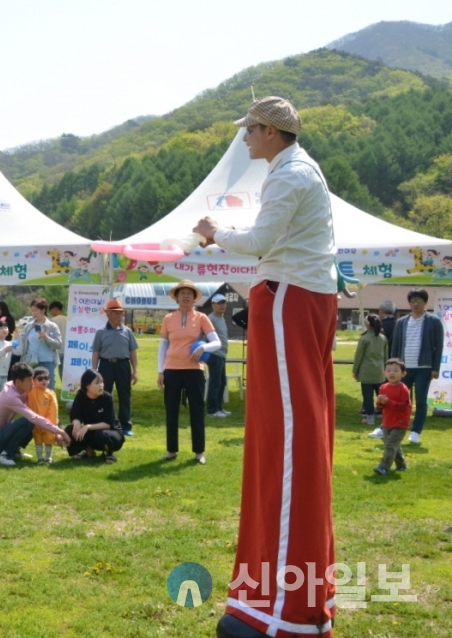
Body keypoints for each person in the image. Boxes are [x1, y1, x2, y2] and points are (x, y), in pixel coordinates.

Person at [194, 96, 338, 637]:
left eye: (251, 129)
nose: (246, 138)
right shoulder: (302, 171)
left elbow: (258, 243)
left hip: (288, 298)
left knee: (287, 441)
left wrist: (213, 233)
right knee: (295, 437)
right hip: (306, 296)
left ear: (272, 131)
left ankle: (279, 602)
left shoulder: (289, 174)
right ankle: (286, 592)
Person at [157, 281, 220, 465]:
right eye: (182, 293)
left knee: (197, 410)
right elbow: (163, 346)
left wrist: (204, 348)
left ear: (194, 298)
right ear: (176, 297)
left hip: (194, 370)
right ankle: (171, 450)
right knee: (171, 410)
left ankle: (199, 452)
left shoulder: (201, 318)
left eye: (189, 293)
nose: (185, 296)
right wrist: (160, 371)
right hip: (172, 370)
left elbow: (216, 343)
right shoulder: (168, 318)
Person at [373, 288, 444, 445]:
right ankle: (384, 427)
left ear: (425, 302)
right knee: (396, 397)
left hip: (424, 367)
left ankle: (415, 432)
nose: (415, 304)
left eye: (418, 300)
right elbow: (396, 345)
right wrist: (392, 367)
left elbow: (439, 347)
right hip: (403, 368)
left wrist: (435, 368)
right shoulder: (402, 322)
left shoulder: (434, 321)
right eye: (412, 301)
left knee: (421, 400)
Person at [0, 363, 70, 467]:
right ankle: (5, 455)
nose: (32, 383)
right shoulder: (10, 396)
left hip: (0, 434)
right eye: (29, 380)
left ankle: (14, 451)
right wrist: (60, 432)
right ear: (18, 382)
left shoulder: (19, 388)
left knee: (32, 423)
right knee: (28, 421)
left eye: (32, 379)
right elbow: (33, 417)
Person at [90, 299, 139, 436]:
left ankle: (125, 425)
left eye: (121, 313)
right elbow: (96, 352)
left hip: (123, 365)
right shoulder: (101, 332)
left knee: (125, 395)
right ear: (108, 314)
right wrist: (94, 371)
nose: (119, 316)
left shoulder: (128, 331)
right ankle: (105, 422)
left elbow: (133, 352)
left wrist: (135, 371)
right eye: (116, 313)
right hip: (106, 365)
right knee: (104, 395)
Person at [65, 369, 125, 463]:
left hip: (111, 433)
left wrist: (87, 427)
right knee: (69, 429)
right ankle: (89, 452)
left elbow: (107, 424)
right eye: (97, 383)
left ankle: (109, 454)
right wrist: (76, 424)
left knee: (101, 434)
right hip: (93, 433)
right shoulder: (80, 395)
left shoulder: (107, 398)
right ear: (87, 385)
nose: (101, 385)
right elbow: (75, 414)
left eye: (102, 382)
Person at [374, 358, 411, 475]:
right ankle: (401, 464)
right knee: (392, 444)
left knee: (390, 445)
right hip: (387, 422)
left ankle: (383, 467)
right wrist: (380, 402)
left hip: (400, 423)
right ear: (384, 373)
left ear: (403, 373)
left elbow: (403, 405)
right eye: (388, 370)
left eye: (395, 370)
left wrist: (388, 401)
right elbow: (381, 405)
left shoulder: (403, 389)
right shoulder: (383, 387)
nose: (391, 373)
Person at [19, 299, 62, 391]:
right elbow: (24, 343)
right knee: (30, 387)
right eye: (32, 311)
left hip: (47, 361)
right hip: (31, 361)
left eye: (35, 310)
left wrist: (47, 338)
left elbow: (59, 344)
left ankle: (49, 405)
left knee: (49, 388)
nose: (33, 313)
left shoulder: (52, 326)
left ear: (43, 310)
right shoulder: (28, 326)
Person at [353, 314, 388, 425]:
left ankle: (370, 418)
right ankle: (385, 415)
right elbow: (386, 356)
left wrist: (355, 370)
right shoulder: (383, 338)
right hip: (380, 371)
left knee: (367, 396)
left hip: (366, 371)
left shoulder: (364, 338)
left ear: (367, 324)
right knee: (381, 395)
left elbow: (358, 356)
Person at [205, 294, 230, 419]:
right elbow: (204, 335)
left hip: (221, 355)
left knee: (222, 382)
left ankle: (219, 408)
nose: (222, 305)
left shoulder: (221, 318)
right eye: (219, 303)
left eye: (223, 303)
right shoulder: (211, 318)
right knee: (215, 383)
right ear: (213, 305)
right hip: (214, 355)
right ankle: (212, 410)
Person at [27, 368, 58, 464]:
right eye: (40, 378)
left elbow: (54, 409)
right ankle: (40, 458)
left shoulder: (51, 394)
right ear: (34, 380)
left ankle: (48, 457)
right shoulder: (31, 391)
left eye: (46, 378)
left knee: (49, 440)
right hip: (36, 423)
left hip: (48, 423)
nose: (44, 380)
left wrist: (52, 423)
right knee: (38, 441)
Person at [48, 300, 68, 381]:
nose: (51, 313)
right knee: (63, 372)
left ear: (55, 309)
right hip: (66, 349)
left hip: (56, 349)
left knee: (50, 371)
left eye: (51, 310)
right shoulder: (68, 319)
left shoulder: (52, 320)